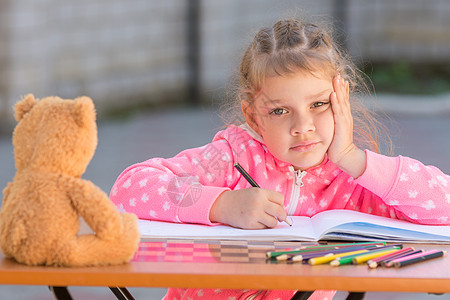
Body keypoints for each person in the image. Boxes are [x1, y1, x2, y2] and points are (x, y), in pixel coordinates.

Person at [110, 18, 450, 300]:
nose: (302, 127)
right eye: (280, 110)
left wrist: (355, 160)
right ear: (253, 116)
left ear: (341, 101)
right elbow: (129, 187)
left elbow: (443, 205)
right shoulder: (230, 158)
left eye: (319, 105)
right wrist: (221, 204)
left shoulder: (352, 181)